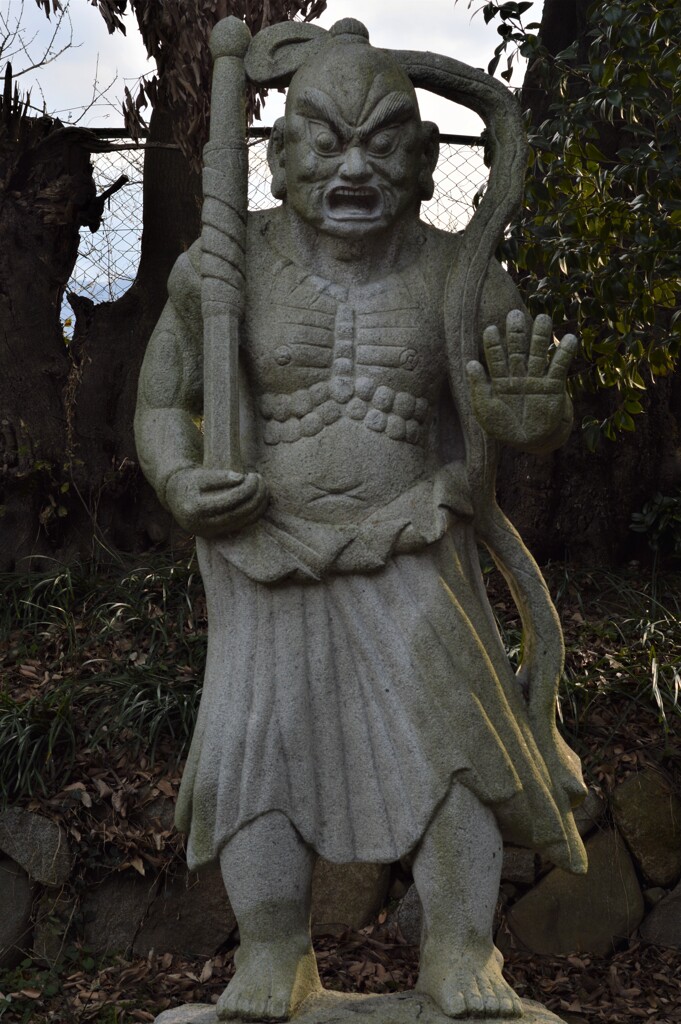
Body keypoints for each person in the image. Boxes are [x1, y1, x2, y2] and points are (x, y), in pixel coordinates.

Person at [135, 19, 587, 1022]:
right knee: (259, 750)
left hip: (417, 544)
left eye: (382, 142)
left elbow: (528, 405)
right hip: (268, 548)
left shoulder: (457, 274)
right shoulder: (227, 267)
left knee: (454, 752)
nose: (353, 168)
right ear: (283, 158)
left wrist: (529, 417)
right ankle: (270, 954)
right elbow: (165, 399)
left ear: (424, 163)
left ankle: (464, 952)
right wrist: (177, 477)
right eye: (328, 142)